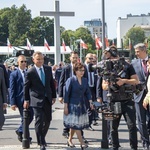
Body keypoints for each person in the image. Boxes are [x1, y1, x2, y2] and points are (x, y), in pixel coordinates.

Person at [102, 46, 139, 150]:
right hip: (113, 101)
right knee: (113, 128)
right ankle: (115, 147)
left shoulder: (127, 66)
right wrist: (111, 83)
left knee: (132, 126)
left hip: (127, 100)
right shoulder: (106, 67)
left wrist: (123, 81)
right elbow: (103, 86)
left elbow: (136, 81)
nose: (111, 60)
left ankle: (134, 147)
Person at [23, 51, 56, 150]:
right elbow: (26, 87)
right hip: (36, 99)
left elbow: (51, 84)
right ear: (33, 60)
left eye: (41, 59)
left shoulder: (48, 69)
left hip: (47, 98)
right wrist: (26, 100)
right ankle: (41, 142)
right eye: (38, 59)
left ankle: (42, 137)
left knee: (48, 120)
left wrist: (53, 96)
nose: (40, 61)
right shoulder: (30, 71)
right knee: (39, 120)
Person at [58, 51, 88, 142]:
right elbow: (61, 81)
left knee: (78, 116)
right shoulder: (66, 68)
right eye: (73, 57)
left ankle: (80, 136)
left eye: (76, 57)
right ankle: (67, 131)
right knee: (70, 115)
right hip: (68, 93)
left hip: (78, 95)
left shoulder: (82, 68)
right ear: (70, 58)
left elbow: (85, 81)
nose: (75, 59)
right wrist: (60, 95)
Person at [63, 62, 93, 149]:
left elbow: (88, 92)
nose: (82, 72)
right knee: (77, 125)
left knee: (74, 124)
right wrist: (65, 106)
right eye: (80, 70)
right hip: (72, 105)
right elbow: (67, 94)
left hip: (82, 105)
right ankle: (81, 142)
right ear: (75, 71)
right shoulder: (71, 80)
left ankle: (69, 140)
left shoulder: (85, 80)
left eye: (83, 70)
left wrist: (90, 101)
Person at [9, 55, 34, 142]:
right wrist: (12, 103)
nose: (24, 63)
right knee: (25, 117)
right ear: (17, 63)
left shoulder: (29, 72)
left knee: (30, 116)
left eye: (25, 61)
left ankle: (20, 131)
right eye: (21, 61)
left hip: (30, 99)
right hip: (20, 100)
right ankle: (26, 137)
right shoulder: (14, 74)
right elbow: (12, 89)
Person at [131, 43, 150, 150]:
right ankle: (146, 142)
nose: (136, 53)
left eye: (138, 51)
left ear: (144, 50)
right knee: (141, 120)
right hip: (139, 94)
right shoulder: (133, 63)